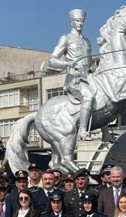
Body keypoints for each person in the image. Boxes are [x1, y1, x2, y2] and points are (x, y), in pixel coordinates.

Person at [48, 8, 95, 139]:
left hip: (88, 77)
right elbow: (52, 61)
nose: (80, 23)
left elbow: (89, 62)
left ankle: (106, 132)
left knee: (104, 95)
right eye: (77, 21)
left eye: (82, 21)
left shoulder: (86, 41)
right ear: (72, 22)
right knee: (89, 97)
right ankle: (83, 131)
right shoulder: (66, 38)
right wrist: (66, 64)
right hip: (74, 80)